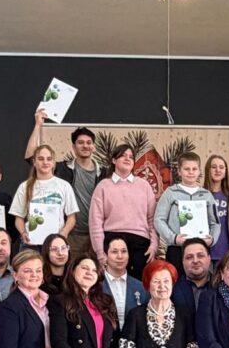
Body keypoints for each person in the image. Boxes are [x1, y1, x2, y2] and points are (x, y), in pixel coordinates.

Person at [26, 112, 108, 255]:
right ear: (74, 147)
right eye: (80, 143)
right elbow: (30, 156)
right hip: (71, 235)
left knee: (95, 269)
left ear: (94, 147)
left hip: (97, 235)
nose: (85, 146)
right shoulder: (62, 169)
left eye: (89, 143)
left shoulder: (105, 173)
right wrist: (38, 124)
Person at [89, 143, 159, 277]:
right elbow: (95, 222)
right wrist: (100, 252)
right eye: (123, 155)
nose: (127, 159)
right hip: (112, 241)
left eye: (131, 157)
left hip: (140, 243)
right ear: (114, 160)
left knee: (138, 284)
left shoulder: (144, 186)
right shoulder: (103, 186)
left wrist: (154, 245)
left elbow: (152, 219)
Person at [155, 152, 219, 276]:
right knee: (176, 282)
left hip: (200, 249)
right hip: (176, 249)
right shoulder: (170, 193)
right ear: (179, 171)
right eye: (186, 169)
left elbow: (215, 223)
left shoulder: (207, 195)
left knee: (201, 281)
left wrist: (212, 239)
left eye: (194, 169)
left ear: (199, 171)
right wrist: (173, 238)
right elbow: (159, 219)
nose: (191, 172)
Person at [10, 144, 79, 248]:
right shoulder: (24, 187)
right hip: (30, 243)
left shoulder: (64, 186)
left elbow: (71, 217)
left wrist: (64, 232)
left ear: (53, 163)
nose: (45, 162)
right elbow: (18, 218)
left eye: (49, 159)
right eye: (41, 159)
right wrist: (23, 233)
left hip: (55, 243)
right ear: (34, 162)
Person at [205, 155, 229, 263]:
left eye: (221, 167)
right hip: (205, 253)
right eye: (214, 167)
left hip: (226, 252)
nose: (218, 170)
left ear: (225, 172)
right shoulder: (200, 195)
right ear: (208, 170)